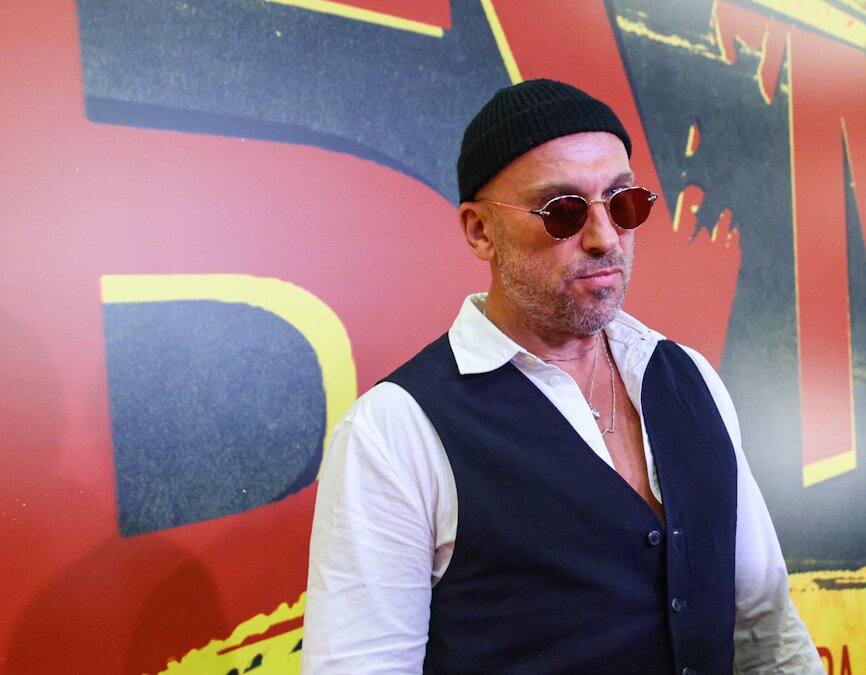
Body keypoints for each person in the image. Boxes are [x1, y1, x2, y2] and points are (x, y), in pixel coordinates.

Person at [303, 78, 823, 674]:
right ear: (479, 230)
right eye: (563, 211)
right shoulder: (394, 432)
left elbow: (765, 629)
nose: (605, 238)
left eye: (623, 202)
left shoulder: (690, 379)